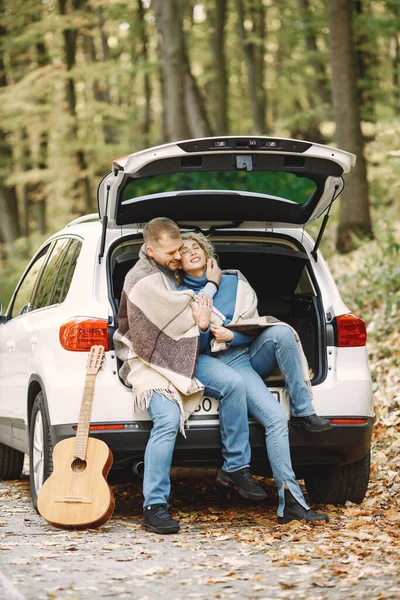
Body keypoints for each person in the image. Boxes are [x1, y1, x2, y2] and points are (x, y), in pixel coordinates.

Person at [113, 217, 266, 535]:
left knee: (233, 383)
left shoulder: (172, 269)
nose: (177, 256)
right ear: (150, 250)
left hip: (184, 354)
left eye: (179, 249)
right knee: (167, 419)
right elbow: (180, 312)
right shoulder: (141, 278)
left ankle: (236, 466)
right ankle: (154, 506)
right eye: (170, 252)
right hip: (149, 362)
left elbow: (194, 317)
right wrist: (211, 286)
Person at [178, 231, 330, 524]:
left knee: (282, 331)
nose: (192, 252)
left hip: (242, 355)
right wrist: (210, 333)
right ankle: (292, 502)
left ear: (206, 251)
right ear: (178, 262)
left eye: (196, 246)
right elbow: (184, 346)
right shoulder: (178, 293)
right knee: (274, 418)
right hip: (211, 362)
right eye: (184, 251)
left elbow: (252, 328)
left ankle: (303, 410)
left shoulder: (234, 282)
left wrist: (232, 336)